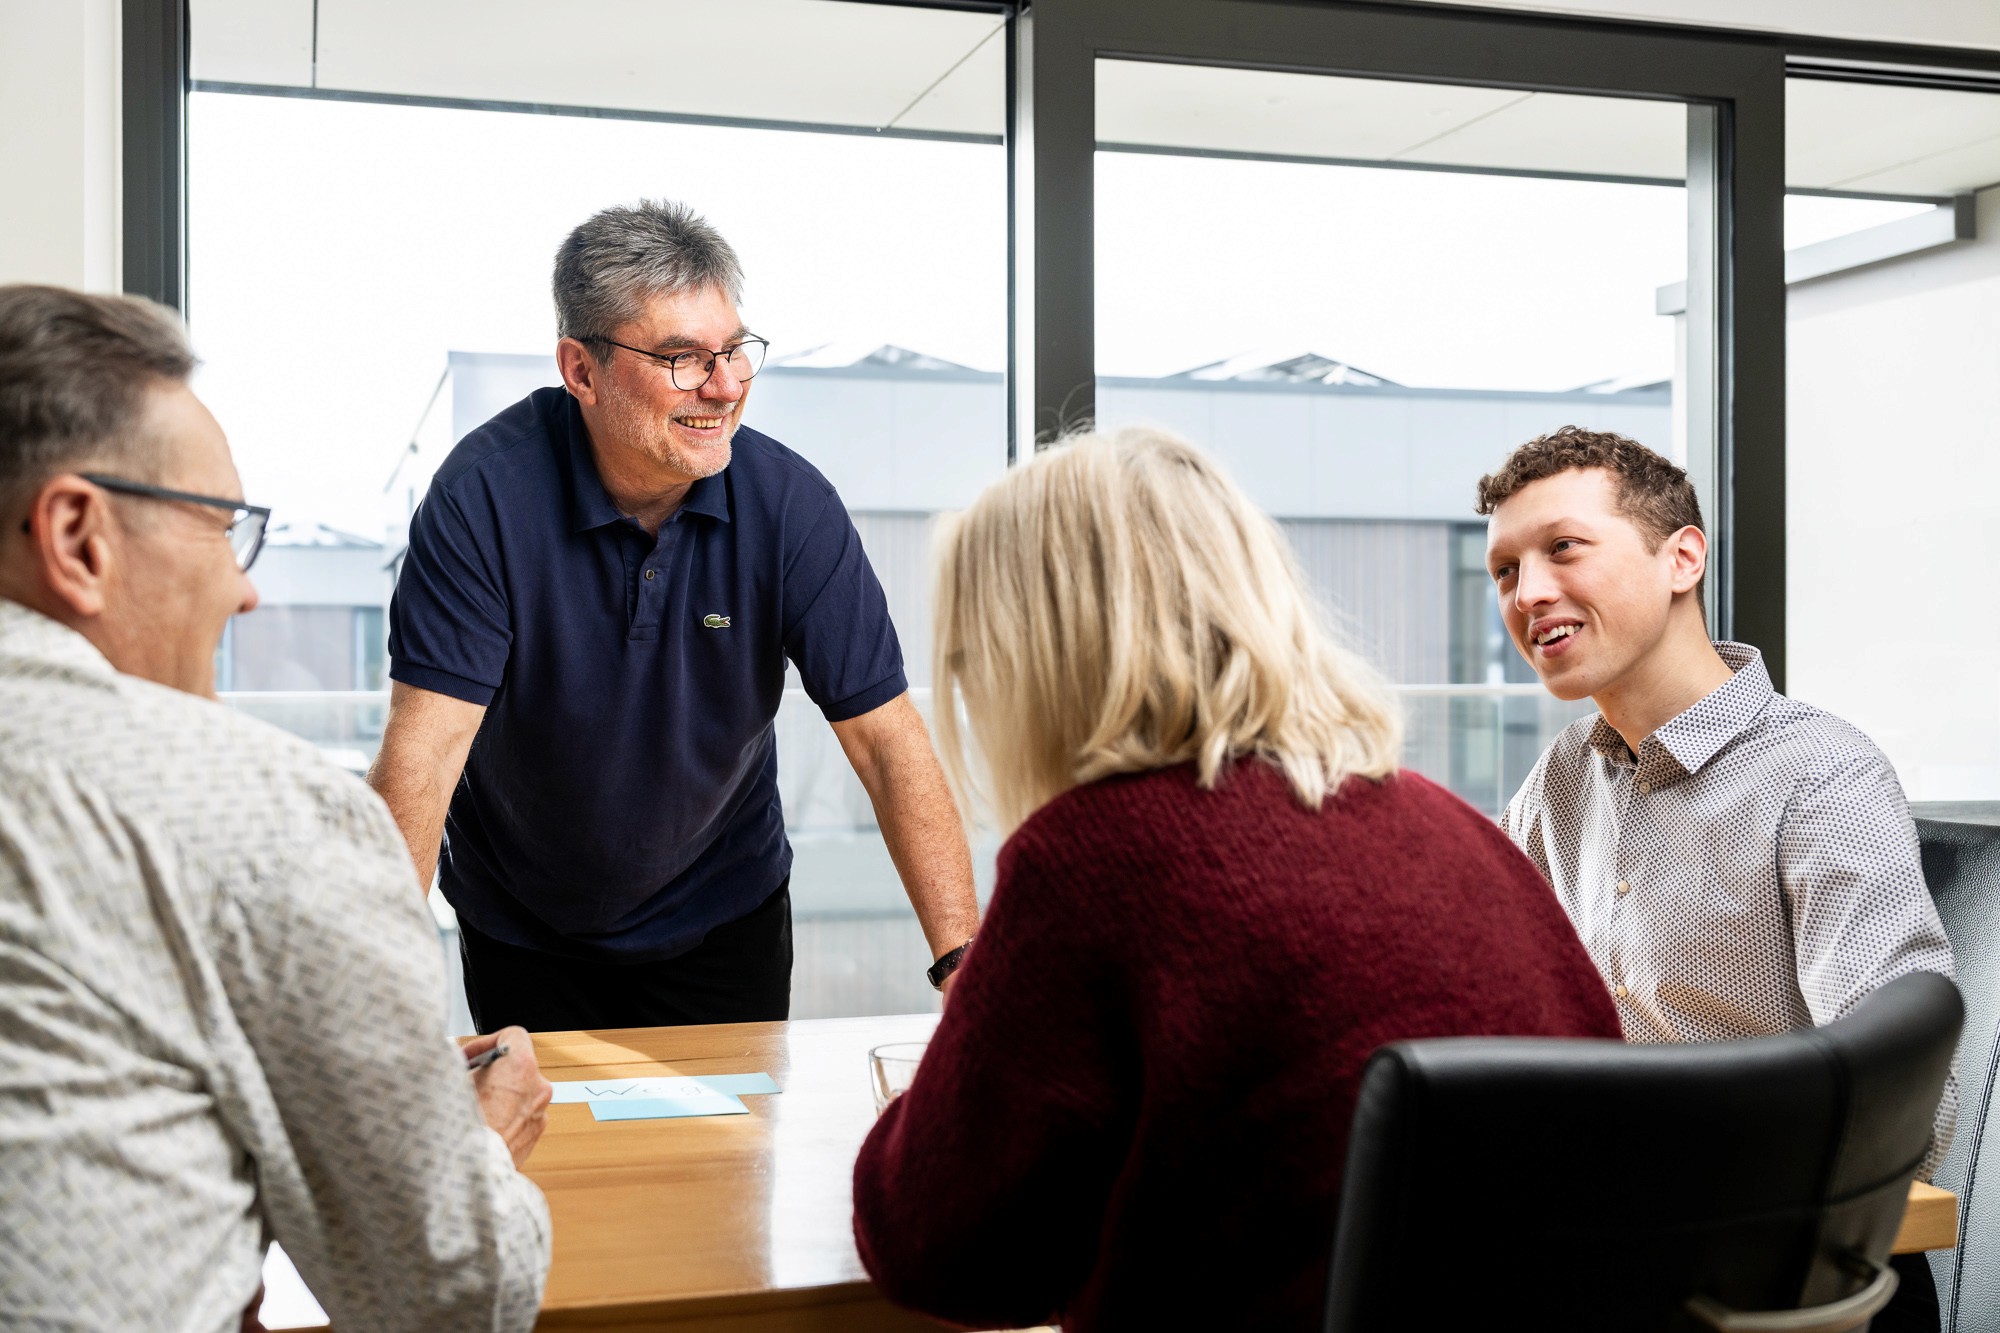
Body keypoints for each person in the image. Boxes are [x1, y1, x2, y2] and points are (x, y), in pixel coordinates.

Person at [850, 426, 1621, 1332]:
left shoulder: (1091, 858)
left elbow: (940, 1249)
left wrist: (922, 1109)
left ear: (1035, 659)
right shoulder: (1444, 820)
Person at [0, 285, 552, 1333]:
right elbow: (452, 1292)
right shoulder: (259, 811)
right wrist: (471, 1144)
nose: (243, 590)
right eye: (223, 528)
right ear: (76, 535)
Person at [369, 200, 978, 1032]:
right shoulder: (482, 498)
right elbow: (426, 753)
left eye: (733, 350)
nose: (724, 386)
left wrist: (964, 965)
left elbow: (886, 742)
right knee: (549, 1125)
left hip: (724, 911)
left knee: (732, 1124)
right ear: (581, 370)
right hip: (523, 923)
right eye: (683, 358)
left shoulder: (791, 506)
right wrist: (360, 1002)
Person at [1480, 425, 1957, 1329]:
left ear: (1683, 558)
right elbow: (1485, 982)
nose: (1528, 591)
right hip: (1629, 1251)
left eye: (1564, 547)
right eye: (1505, 570)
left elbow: (1902, 1103)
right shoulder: (1565, 774)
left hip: (1796, 1287)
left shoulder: (1823, 778)